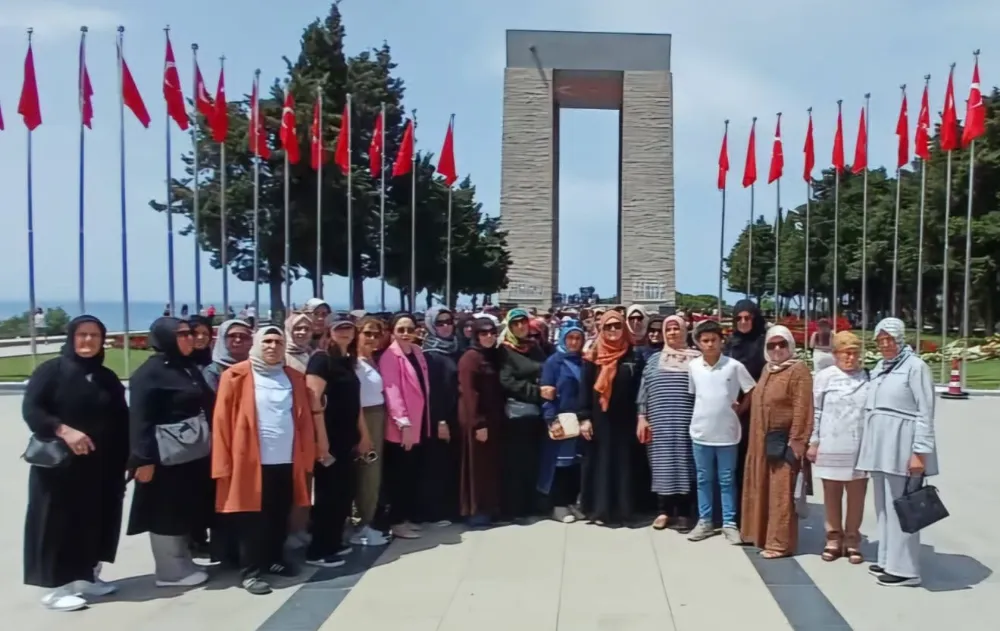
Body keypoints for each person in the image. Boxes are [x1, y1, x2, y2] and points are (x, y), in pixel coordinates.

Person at [22, 315, 130, 611]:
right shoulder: (51, 371)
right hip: (60, 467)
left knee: (93, 521)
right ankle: (55, 588)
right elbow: (31, 409)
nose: (88, 341)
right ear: (71, 337)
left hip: (100, 467)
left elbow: (121, 419)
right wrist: (63, 429)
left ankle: (85, 577)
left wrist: (129, 458)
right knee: (56, 523)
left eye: (94, 336)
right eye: (82, 335)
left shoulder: (106, 377)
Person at [212, 326, 316, 595]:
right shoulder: (234, 376)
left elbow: (303, 421)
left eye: (278, 341)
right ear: (257, 344)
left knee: (279, 515)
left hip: (286, 460)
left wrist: (307, 456)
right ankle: (251, 571)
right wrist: (223, 464)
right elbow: (222, 422)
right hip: (250, 462)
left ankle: (274, 561)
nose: (272, 346)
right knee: (251, 520)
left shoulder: (293, 377)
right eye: (267, 341)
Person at [126, 317, 215, 587]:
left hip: (188, 454)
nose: (191, 338)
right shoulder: (149, 373)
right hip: (163, 457)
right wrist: (143, 459)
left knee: (182, 508)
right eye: (183, 334)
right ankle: (169, 570)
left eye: (191, 333)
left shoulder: (185, 367)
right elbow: (139, 419)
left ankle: (182, 560)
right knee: (164, 510)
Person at [855, 318, 937, 587]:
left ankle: (906, 569)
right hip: (881, 445)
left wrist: (920, 452)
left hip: (903, 444)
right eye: (881, 340)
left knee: (902, 506)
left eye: (890, 339)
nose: (885, 345)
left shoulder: (916, 367)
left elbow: (925, 411)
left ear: (901, 339)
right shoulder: (880, 367)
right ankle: (889, 558)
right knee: (884, 506)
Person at [741, 325, 814, 558]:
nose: (777, 349)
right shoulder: (767, 369)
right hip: (762, 441)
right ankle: (760, 535)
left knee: (782, 493)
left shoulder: (798, 370)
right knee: (763, 488)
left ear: (790, 345)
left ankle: (780, 543)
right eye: (772, 345)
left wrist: (797, 442)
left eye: (782, 344)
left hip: (784, 442)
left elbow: (803, 409)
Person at [305, 313, 369, 566]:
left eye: (349, 329)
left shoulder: (346, 360)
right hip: (329, 438)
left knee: (344, 493)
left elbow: (356, 404)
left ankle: (333, 541)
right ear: (329, 331)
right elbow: (314, 402)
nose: (345, 333)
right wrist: (322, 443)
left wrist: (364, 435)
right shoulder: (321, 361)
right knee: (327, 496)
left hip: (347, 439)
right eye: (340, 329)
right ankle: (318, 550)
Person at [687, 320, 756, 543]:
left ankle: (729, 523)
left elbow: (751, 390)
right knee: (703, 479)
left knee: (726, 480)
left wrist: (741, 409)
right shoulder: (693, 366)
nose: (709, 345)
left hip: (727, 434)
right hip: (700, 432)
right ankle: (705, 521)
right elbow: (694, 394)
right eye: (705, 341)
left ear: (721, 341)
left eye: (713, 340)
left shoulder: (734, 366)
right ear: (698, 343)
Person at [577, 310, 645, 525]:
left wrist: (642, 416)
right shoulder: (593, 356)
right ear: (601, 329)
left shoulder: (633, 355)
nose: (614, 330)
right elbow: (586, 389)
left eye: (617, 326)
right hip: (600, 420)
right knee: (601, 463)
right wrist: (584, 418)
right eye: (608, 327)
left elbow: (640, 388)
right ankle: (600, 511)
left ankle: (623, 511)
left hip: (626, 419)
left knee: (624, 463)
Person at [808, 331, 870, 564]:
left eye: (855, 353)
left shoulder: (867, 377)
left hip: (859, 446)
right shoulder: (824, 377)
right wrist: (813, 442)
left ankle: (852, 540)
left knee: (856, 497)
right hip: (831, 444)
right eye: (846, 353)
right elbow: (816, 411)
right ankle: (833, 539)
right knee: (832, 495)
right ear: (835, 354)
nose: (851, 358)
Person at [637, 314, 699, 532]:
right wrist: (642, 417)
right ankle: (664, 511)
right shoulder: (654, 360)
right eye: (669, 329)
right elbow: (644, 391)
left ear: (684, 330)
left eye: (676, 328)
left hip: (686, 421)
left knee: (684, 464)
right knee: (662, 466)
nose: (673, 332)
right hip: (659, 422)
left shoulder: (696, 359)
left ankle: (683, 513)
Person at [379, 313, 430, 539]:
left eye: (410, 329)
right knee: (399, 476)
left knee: (412, 474)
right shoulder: (390, 357)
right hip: (402, 427)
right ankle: (397, 521)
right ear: (392, 332)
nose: (406, 334)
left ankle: (406, 517)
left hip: (420, 422)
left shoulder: (417, 352)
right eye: (401, 330)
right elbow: (393, 392)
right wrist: (404, 424)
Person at [498, 308, 548, 520]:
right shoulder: (504, 351)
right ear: (509, 327)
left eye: (523, 323)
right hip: (516, 414)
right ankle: (514, 509)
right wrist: (536, 391)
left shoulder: (534, 347)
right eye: (515, 323)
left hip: (535, 414)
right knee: (515, 464)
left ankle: (531, 505)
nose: (520, 327)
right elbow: (507, 381)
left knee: (532, 462)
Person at [723, 299, 767, 525]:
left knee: (752, 461)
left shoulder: (764, 343)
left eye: (747, 318)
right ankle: (733, 513)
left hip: (755, 411)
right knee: (732, 462)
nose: (743, 322)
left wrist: (747, 404)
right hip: (730, 410)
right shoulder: (730, 343)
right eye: (739, 318)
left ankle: (752, 514)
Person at [457, 318, 505, 526]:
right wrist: (479, 423)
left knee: (489, 465)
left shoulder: (492, 356)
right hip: (476, 418)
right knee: (476, 466)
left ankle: (489, 507)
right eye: (483, 333)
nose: (488, 337)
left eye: (492, 333)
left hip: (492, 417)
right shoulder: (470, 358)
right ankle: (475, 510)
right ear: (475, 336)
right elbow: (469, 392)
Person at [539, 320, 586, 523]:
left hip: (579, 420)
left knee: (575, 463)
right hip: (561, 418)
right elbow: (547, 392)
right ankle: (557, 505)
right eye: (570, 338)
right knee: (559, 465)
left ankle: (571, 502)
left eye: (578, 338)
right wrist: (551, 419)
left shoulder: (584, 361)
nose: (574, 342)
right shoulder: (553, 362)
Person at [420, 306, 462, 525]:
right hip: (440, 417)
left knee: (451, 463)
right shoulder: (429, 354)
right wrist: (440, 421)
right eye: (440, 323)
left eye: (449, 321)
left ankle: (451, 509)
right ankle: (434, 512)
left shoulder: (456, 348)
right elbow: (433, 393)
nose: (446, 326)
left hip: (457, 415)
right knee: (437, 465)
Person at [351, 317, 390, 547]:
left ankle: (369, 521)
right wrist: (363, 432)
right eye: (367, 333)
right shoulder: (354, 363)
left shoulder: (372, 360)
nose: (372, 338)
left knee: (373, 474)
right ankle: (362, 524)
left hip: (378, 415)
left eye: (376, 334)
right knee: (366, 473)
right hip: (364, 418)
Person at [203, 320, 253, 392]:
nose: (238, 340)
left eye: (243, 336)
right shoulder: (212, 371)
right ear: (222, 339)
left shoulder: (256, 367)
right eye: (232, 336)